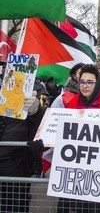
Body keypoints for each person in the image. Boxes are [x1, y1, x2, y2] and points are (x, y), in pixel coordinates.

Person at [54, 64, 100, 213]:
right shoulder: (70, 104)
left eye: (90, 82)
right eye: (82, 82)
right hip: (75, 170)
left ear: (98, 84)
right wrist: (44, 143)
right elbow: (57, 130)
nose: (85, 86)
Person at [0, 71, 48, 212]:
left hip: (15, 159)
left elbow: (47, 115)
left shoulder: (35, 86)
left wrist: (36, 109)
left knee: (14, 204)